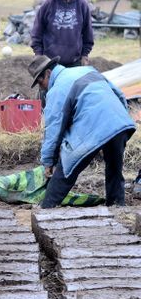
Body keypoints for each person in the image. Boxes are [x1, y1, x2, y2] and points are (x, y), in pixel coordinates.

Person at [29, 55, 135, 208]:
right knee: (114, 169)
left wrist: (48, 162)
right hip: (119, 123)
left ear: (48, 73)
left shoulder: (57, 89)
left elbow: (53, 129)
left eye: (40, 82)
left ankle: (46, 208)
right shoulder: (88, 70)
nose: (42, 88)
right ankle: (117, 207)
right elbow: (119, 94)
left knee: (65, 169)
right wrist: (119, 119)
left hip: (95, 127)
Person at [31, 0, 94, 68]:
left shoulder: (82, 5)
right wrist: (38, 54)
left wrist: (85, 55)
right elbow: (37, 32)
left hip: (75, 62)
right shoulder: (47, 5)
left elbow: (88, 33)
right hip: (50, 63)